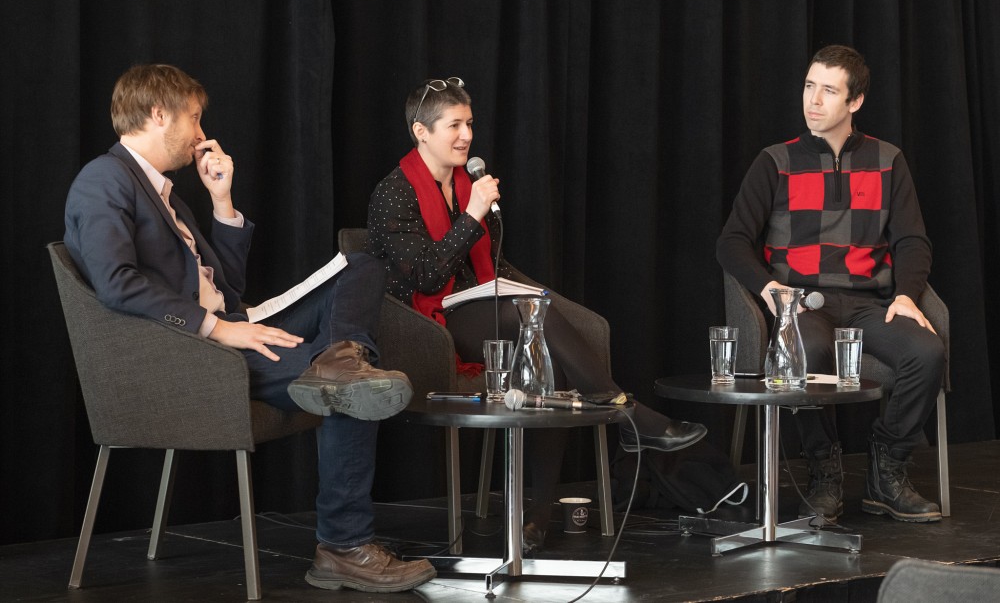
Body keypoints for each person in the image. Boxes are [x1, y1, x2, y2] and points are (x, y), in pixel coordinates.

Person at [63, 64, 437, 593]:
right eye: (194, 118)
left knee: (360, 265)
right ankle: (344, 546)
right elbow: (115, 284)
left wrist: (221, 201)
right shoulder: (104, 180)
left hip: (233, 325)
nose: (200, 134)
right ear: (157, 113)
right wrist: (216, 331)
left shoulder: (165, 192)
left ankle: (343, 356)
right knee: (353, 392)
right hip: (190, 350)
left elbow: (230, 287)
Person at [367, 76, 708, 550]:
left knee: (549, 346)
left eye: (470, 123)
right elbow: (424, 276)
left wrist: (529, 287)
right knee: (535, 318)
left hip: (478, 304)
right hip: (428, 322)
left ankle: (538, 516)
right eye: (454, 126)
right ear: (421, 132)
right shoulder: (394, 192)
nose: (466, 135)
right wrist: (473, 216)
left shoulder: (463, 182)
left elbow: (492, 261)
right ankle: (629, 416)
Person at [717, 45, 945, 523]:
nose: (813, 100)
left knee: (928, 352)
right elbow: (732, 242)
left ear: (854, 102)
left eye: (828, 90)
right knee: (806, 354)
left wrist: (906, 294)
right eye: (808, 86)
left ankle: (888, 468)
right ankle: (823, 469)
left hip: (870, 306)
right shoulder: (775, 161)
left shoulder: (888, 161)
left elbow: (912, 241)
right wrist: (771, 291)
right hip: (802, 306)